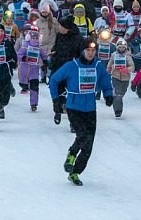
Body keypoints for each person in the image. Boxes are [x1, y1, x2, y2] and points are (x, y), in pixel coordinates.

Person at [48, 38, 114, 186]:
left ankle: (75, 172)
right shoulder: (72, 66)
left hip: (90, 108)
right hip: (74, 107)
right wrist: (56, 100)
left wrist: (108, 94)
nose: (90, 53)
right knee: (82, 135)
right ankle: (71, 154)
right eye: (87, 50)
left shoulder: (98, 66)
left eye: (93, 50)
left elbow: (104, 79)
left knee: (89, 145)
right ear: (82, 51)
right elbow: (54, 80)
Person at [49, 16, 85, 125]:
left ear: (67, 28)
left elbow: (82, 54)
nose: (59, 27)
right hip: (58, 67)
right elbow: (56, 47)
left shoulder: (78, 38)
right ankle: (58, 110)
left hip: (72, 69)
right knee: (57, 89)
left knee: (73, 95)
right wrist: (54, 52)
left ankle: (73, 122)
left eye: (61, 26)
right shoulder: (60, 36)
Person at [107, 38, 135, 118]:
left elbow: (132, 67)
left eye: (123, 47)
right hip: (115, 77)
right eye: (120, 47)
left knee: (121, 94)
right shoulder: (114, 55)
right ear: (117, 47)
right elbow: (110, 63)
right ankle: (118, 111)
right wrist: (108, 70)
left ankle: (117, 101)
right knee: (118, 94)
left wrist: (127, 69)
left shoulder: (128, 56)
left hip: (125, 78)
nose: (121, 49)